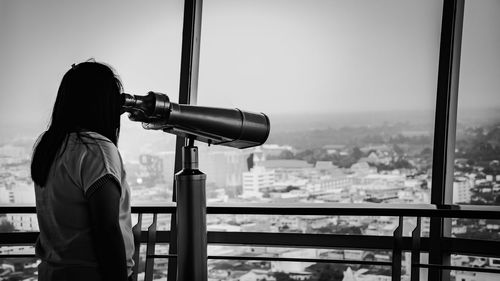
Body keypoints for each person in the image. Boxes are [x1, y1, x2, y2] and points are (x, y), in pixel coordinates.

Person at [31, 61, 134, 281]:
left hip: (54, 272)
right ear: (102, 104)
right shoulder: (97, 149)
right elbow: (107, 230)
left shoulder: (49, 144)